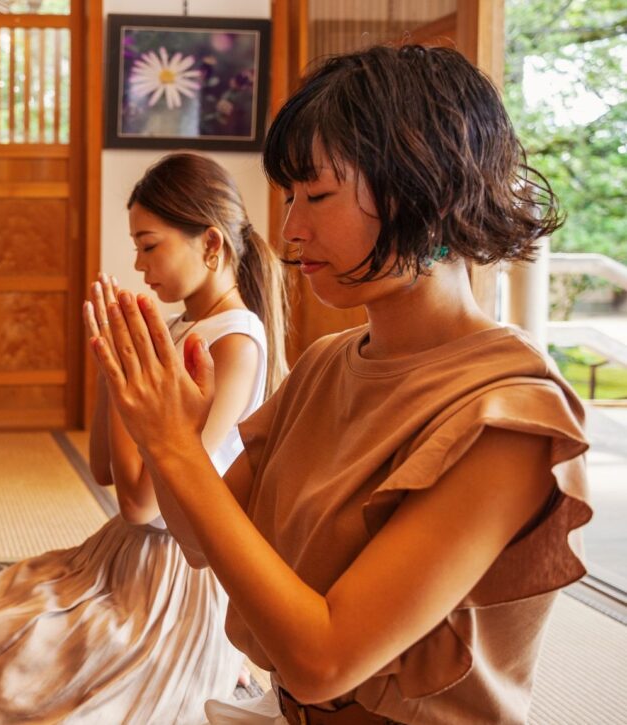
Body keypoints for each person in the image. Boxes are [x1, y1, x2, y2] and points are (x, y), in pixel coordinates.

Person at [86, 44, 592, 725]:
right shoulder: (327, 363)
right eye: (290, 197)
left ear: (426, 191)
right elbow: (200, 539)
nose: (291, 230)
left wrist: (176, 448)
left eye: (317, 195)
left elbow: (323, 659)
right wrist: (158, 428)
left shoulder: (510, 413)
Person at [0, 152, 288, 724]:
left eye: (149, 244)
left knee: (4, 671)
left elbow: (144, 506)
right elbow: (106, 469)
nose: (138, 264)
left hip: (172, 579)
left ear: (211, 243)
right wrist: (114, 369)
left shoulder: (236, 339)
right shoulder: (179, 324)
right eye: (136, 246)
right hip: (124, 558)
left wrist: (128, 366)